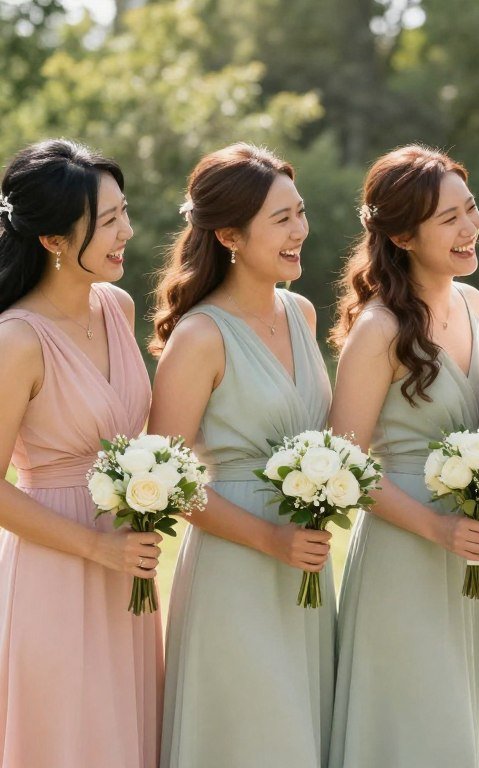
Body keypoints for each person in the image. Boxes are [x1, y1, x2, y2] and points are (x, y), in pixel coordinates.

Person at [149, 144, 334, 768]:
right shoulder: (200, 337)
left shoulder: (302, 314)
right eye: (281, 219)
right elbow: (167, 482)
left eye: (300, 212)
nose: (300, 230)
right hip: (237, 568)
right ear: (230, 234)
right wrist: (269, 539)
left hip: (306, 568)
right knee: (253, 740)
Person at [327, 146, 479, 767]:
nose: (469, 228)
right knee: (415, 725)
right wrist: (436, 526)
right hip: (405, 553)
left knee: (466, 720)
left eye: (470, 209)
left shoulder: (478, 306)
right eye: (448, 219)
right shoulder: (379, 329)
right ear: (402, 234)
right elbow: (343, 465)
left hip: (474, 554)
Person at [0, 139, 160, 768]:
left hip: (129, 567)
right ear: (54, 241)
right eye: (109, 220)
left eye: (125, 212)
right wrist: (97, 546)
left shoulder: (116, 306)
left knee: (127, 736)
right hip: (55, 569)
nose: (126, 231)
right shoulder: (17, 340)